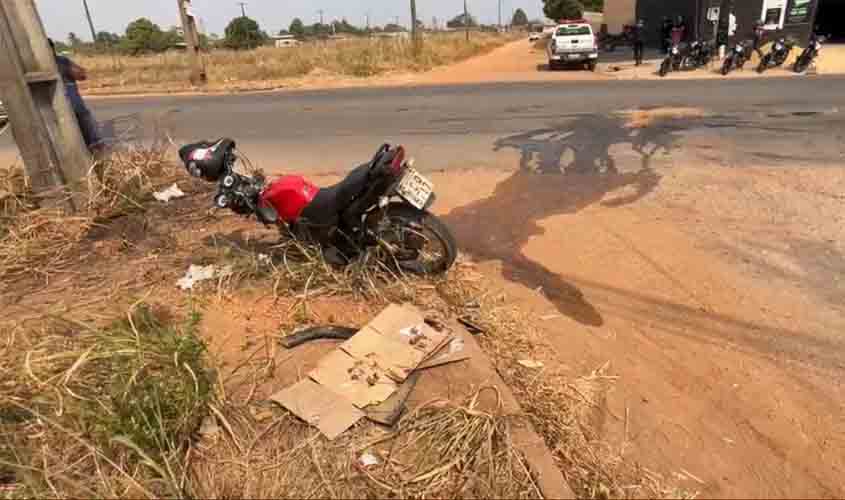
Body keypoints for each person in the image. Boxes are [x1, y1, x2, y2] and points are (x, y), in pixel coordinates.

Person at [49, 39, 101, 149]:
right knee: (84, 118)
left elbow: (81, 75)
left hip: (63, 106)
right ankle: (94, 145)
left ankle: (92, 144)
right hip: (71, 106)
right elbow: (81, 75)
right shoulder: (61, 61)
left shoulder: (61, 61)